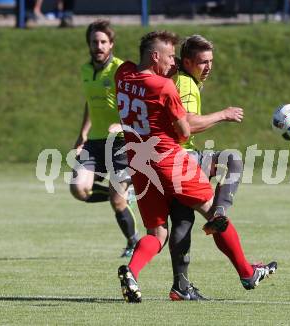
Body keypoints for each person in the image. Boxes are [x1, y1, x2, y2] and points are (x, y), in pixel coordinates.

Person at [116, 30, 277, 303]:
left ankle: (132, 272)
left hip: (139, 163)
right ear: (155, 56)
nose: (173, 62)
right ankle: (248, 273)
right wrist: (222, 115)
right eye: (169, 57)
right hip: (169, 160)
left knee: (157, 233)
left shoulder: (123, 73)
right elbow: (183, 133)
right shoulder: (165, 87)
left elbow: (136, 69)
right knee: (216, 215)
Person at [167, 34, 249, 301]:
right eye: (203, 62)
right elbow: (189, 124)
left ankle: (180, 286)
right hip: (182, 156)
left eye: (211, 61)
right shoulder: (187, 84)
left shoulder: (181, 78)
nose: (209, 67)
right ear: (188, 61)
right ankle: (220, 213)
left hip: (165, 159)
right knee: (232, 158)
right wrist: (223, 115)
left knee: (182, 221)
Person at [70, 20, 139, 258]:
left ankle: (132, 241)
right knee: (78, 189)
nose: (98, 46)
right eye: (94, 42)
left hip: (120, 142)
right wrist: (82, 134)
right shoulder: (85, 70)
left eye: (103, 42)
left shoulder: (122, 70)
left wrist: (123, 124)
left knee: (117, 202)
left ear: (111, 44)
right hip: (95, 142)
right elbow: (90, 103)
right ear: (88, 44)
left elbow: (136, 105)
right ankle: (123, 194)